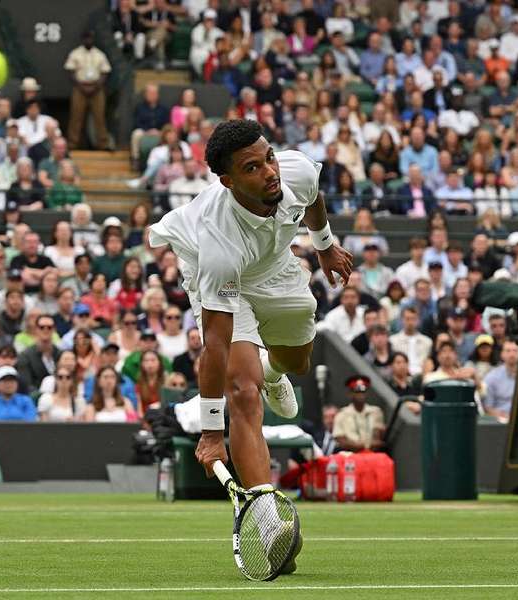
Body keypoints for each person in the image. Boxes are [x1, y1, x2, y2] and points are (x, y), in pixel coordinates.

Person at [150, 119, 351, 571]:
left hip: (277, 267)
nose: (270, 172)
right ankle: (267, 525)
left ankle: (273, 370)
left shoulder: (293, 172)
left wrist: (324, 247)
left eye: (269, 158)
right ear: (228, 180)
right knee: (243, 390)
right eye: (252, 167)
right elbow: (215, 347)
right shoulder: (217, 244)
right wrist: (209, 432)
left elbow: (314, 197)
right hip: (222, 276)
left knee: (296, 363)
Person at [64, 30, 111, 151]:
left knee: (99, 117)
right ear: (82, 39)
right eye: (86, 38)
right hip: (80, 87)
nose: (88, 41)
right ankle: (72, 144)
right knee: (76, 117)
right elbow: (70, 71)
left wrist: (95, 87)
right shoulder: (75, 54)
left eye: (90, 38)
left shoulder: (100, 54)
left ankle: (103, 143)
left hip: (97, 88)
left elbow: (105, 72)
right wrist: (81, 86)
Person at [333, 375, 385, 451]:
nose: (361, 395)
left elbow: (377, 440)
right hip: (351, 455)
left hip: (372, 454)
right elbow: (342, 441)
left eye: (363, 392)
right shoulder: (342, 415)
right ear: (350, 394)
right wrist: (366, 444)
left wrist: (360, 445)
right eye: (357, 392)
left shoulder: (375, 412)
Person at [482, 340, 518, 422]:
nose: (512, 354)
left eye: (515, 351)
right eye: (508, 351)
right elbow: (487, 408)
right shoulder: (491, 377)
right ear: (502, 354)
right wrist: (506, 418)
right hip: (500, 421)